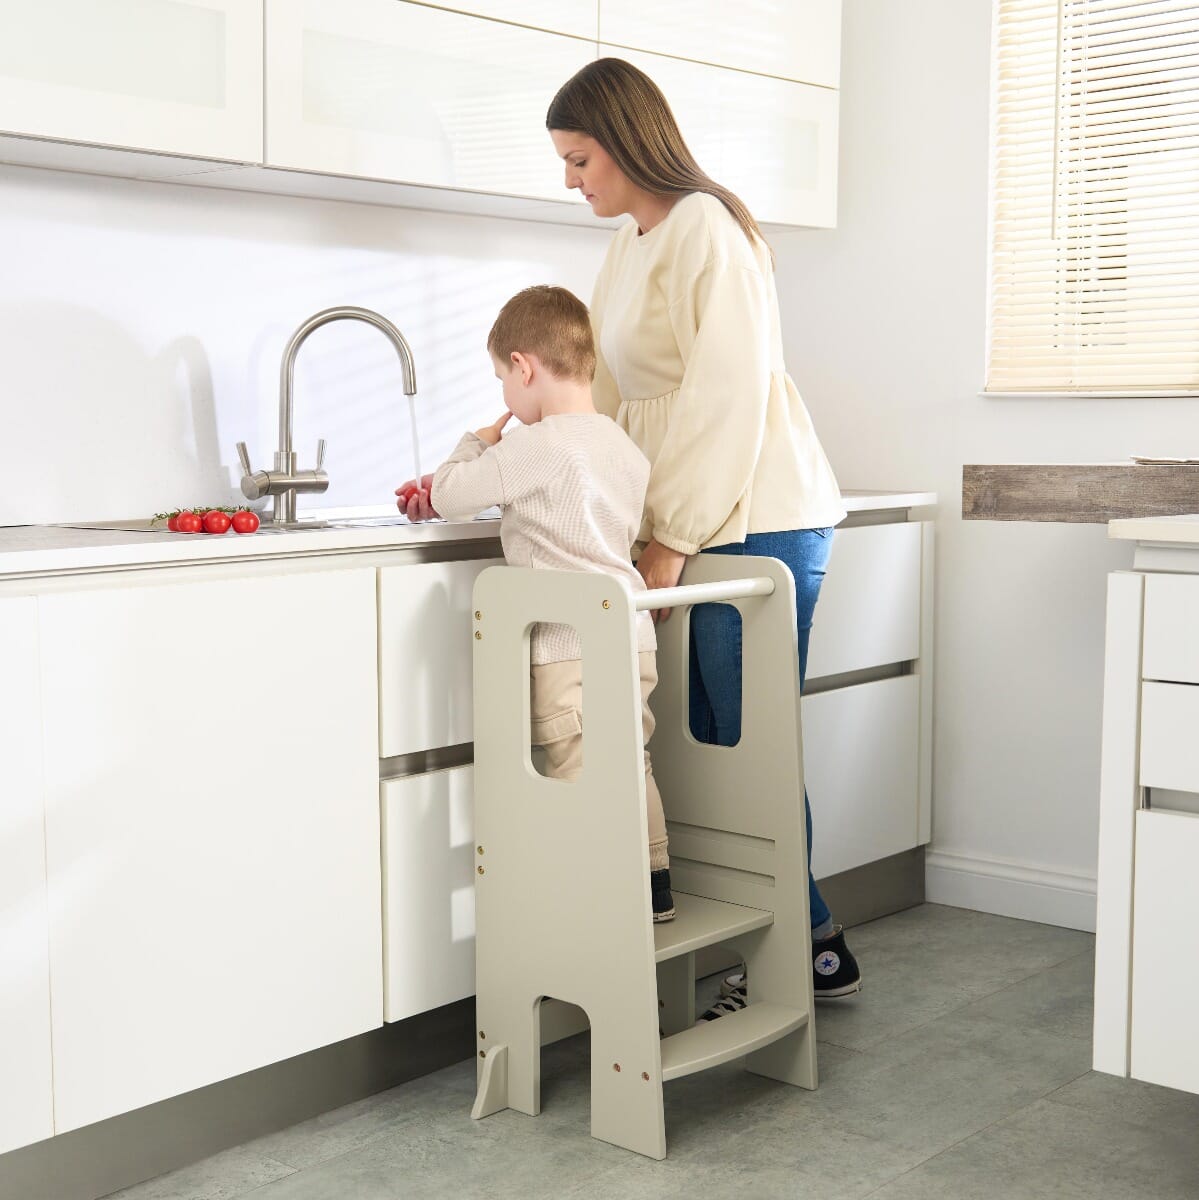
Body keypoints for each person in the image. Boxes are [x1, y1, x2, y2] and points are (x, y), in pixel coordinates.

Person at [544, 57, 862, 1005]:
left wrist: (668, 538)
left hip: (755, 517)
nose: (571, 181)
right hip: (699, 519)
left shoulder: (706, 231)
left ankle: (796, 958)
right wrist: (504, 442)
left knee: (740, 746)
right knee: (716, 750)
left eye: (580, 159)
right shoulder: (633, 242)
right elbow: (597, 385)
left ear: (627, 139)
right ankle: (808, 951)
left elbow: (726, 398)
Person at [401, 284, 675, 922]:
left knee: (575, 764)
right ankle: (653, 881)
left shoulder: (535, 444)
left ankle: (599, 897)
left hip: (566, 646)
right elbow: (561, 512)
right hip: (629, 637)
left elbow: (451, 494)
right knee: (629, 760)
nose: (504, 396)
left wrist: (475, 443)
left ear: (524, 367)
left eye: (502, 379)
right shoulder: (619, 446)